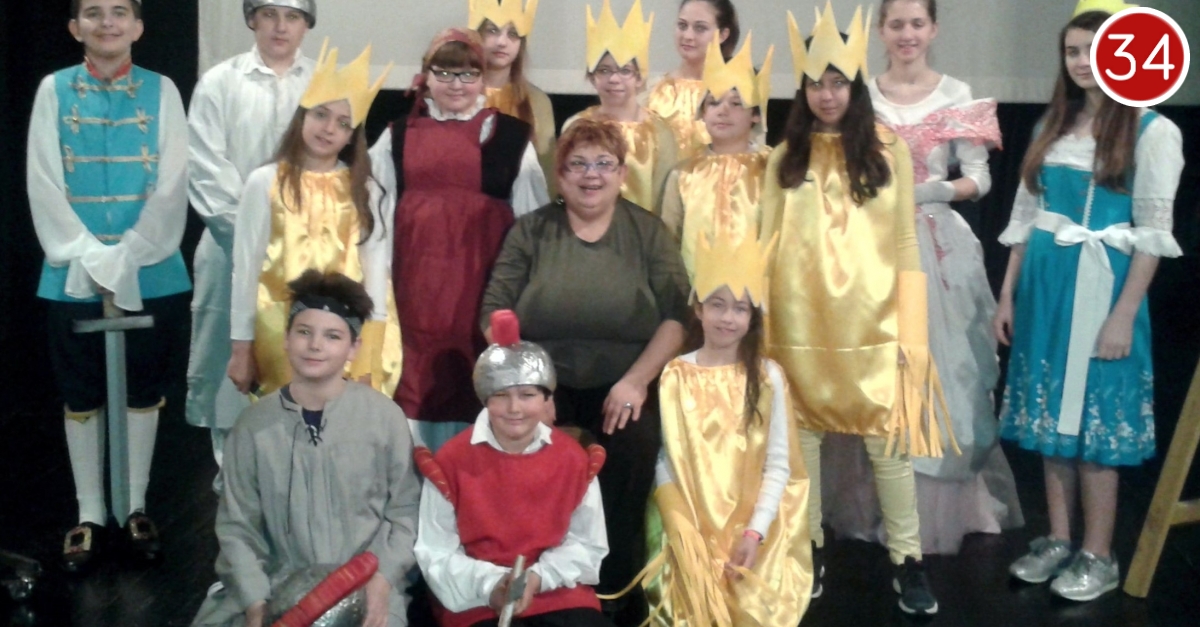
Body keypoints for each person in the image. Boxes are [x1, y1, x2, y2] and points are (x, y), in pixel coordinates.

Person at [761, 3, 951, 615]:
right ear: (802, 89)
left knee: (888, 447)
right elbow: (766, 244)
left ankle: (907, 560)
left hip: (873, 323)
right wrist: (762, 326)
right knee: (803, 444)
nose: (826, 94)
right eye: (815, 83)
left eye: (838, 81)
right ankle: (811, 548)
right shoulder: (784, 158)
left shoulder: (888, 149)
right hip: (799, 324)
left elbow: (904, 241)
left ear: (855, 85)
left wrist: (912, 330)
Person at [817, 0, 1023, 557]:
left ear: (933, 29)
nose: (906, 34)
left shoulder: (957, 93)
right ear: (880, 31)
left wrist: (930, 190)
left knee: (940, 370)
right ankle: (872, 500)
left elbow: (979, 178)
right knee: (876, 369)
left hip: (936, 246)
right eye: (896, 24)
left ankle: (936, 507)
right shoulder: (862, 95)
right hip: (870, 245)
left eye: (916, 23)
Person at [995, 0, 1183, 602]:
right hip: (1046, 290)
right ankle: (1058, 537)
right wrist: (1007, 295)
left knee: (1094, 423)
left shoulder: (1153, 131)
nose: (1082, 62)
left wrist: (1123, 315)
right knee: (1050, 416)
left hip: (1104, 289)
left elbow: (1152, 235)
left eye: (1095, 50)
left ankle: (1099, 553)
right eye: (1073, 51)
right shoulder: (1051, 127)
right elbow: (1026, 218)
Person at [480, 120, 690, 623]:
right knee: (519, 450)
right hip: (543, 380)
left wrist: (637, 381)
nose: (590, 175)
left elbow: (678, 316)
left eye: (603, 164)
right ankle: (528, 582)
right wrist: (529, 386)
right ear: (560, 175)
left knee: (634, 450)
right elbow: (493, 312)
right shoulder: (531, 231)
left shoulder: (647, 231)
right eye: (577, 164)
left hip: (624, 380)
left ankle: (614, 589)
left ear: (622, 174)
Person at [27, 0, 191, 572]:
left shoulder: (163, 90)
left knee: (143, 388)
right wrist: (87, 254)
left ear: (138, 27)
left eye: (119, 11)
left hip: (151, 268)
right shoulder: (52, 90)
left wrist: (131, 253)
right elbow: (43, 178)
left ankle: (135, 505)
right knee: (81, 393)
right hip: (71, 270)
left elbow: (173, 181)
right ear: (75, 27)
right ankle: (91, 513)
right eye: (93, 12)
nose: (107, 22)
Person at [193, 270, 421, 627]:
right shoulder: (253, 426)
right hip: (276, 586)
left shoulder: (384, 418)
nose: (315, 345)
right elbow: (238, 528)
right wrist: (255, 601)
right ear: (285, 339)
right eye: (304, 332)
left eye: (332, 336)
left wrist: (382, 581)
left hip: (365, 586)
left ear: (354, 348)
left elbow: (404, 513)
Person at [369, 28, 548, 451]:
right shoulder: (396, 137)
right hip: (414, 298)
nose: (456, 85)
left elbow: (533, 229)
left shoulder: (511, 138)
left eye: (468, 74)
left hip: (482, 297)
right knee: (417, 391)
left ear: (483, 78)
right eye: (444, 73)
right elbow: (374, 225)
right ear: (426, 76)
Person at [647, 232, 811, 625]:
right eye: (717, 305)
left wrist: (755, 532)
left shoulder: (768, 377)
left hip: (751, 531)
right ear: (698, 309)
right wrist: (681, 526)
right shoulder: (674, 376)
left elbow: (778, 465)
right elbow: (665, 457)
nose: (727, 318)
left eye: (740, 308)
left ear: (752, 318)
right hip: (691, 529)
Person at [415, 310, 615, 627]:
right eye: (501, 396)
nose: (514, 408)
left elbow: (587, 544)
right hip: (478, 600)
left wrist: (537, 578)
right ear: (485, 399)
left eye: (527, 395)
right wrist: (493, 585)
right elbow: (436, 552)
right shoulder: (451, 461)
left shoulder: (572, 459)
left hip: (556, 593)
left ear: (547, 399)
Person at [227, 40, 401, 400]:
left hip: (348, 338)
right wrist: (241, 348)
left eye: (343, 123)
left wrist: (369, 353)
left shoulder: (365, 189)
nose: (328, 128)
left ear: (352, 135)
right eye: (320, 115)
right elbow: (245, 270)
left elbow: (376, 271)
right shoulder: (266, 182)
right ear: (302, 116)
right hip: (281, 334)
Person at [186, 0, 316, 474]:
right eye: (269, 14)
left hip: (306, 252)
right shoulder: (220, 82)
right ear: (251, 19)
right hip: (229, 248)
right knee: (230, 358)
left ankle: (296, 468)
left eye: (293, 16)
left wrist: (295, 240)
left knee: (302, 353)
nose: (281, 26)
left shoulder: (322, 84)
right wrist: (250, 240)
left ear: (306, 24)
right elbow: (205, 167)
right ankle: (231, 471)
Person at [659, 35, 772, 278]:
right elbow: (667, 246)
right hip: (696, 294)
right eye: (713, 102)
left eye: (736, 103)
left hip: (756, 293)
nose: (723, 111)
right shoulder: (683, 174)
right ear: (702, 111)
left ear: (756, 114)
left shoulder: (772, 168)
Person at [562, 0, 676, 217]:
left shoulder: (659, 133)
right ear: (592, 77)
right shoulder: (576, 126)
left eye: (625, 71)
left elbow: (665, 201)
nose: (614, 79)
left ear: (639, 78)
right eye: (604, 70)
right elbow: (566, 188)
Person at [469, 0, 558, 196]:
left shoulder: (536, 101)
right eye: (492, 30)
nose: (502, 42)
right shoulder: (460, 94)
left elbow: (546, 172)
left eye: (512, 33)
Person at [646, 0, 740, 161]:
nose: (688, 36)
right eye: (682, 26)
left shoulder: (735, 94)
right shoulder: (652, 89)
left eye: (700, 28)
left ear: (723, 35)